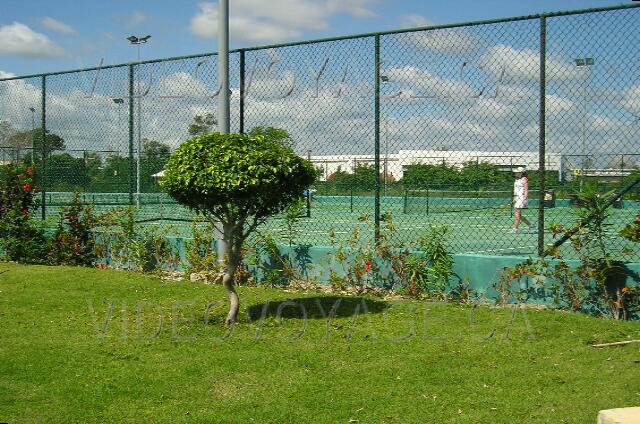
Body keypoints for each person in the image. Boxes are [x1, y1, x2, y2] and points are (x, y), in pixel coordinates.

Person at [512, 167, 532, 233]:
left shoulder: (524, 179)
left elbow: (526, 190)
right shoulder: (516, 180)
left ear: (521, 173)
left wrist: (525, 199)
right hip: (517, 198)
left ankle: (515, 229)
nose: (515, 173)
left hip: (522, 197)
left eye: (517, 172)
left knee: (517, 213)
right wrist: (514, 198)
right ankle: (530, 225)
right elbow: (515, 190)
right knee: (518, 214)